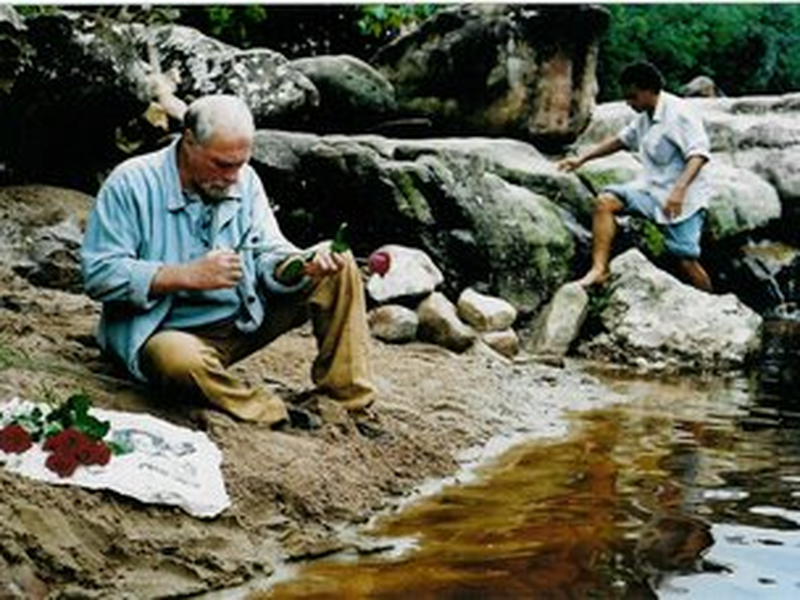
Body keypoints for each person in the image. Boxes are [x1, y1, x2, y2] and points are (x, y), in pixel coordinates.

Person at [81, 94, 376, 428]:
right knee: (176, 359)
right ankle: (271, 411)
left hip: (242, 321)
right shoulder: (131, 182)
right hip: (166, 335)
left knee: (339, 261)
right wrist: (184, 275)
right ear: (188, 142)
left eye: (241, 163)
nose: (234, 176)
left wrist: (298, 265)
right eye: (222, 164)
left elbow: (268, 252)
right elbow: (99, 274)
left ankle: (348, 404)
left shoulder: (244, 179)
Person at [558, 61, 713, 292]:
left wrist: (679, 191)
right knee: (605, 202)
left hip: (684, 199)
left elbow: (699, 154)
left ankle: (712, 305)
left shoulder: (680, 114)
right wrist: (582, 159)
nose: (629, 103)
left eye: (633, 97)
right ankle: (599, 270)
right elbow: (621, 140)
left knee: (685, 260)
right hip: (652, 190)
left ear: (650, 90)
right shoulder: (645, 116)